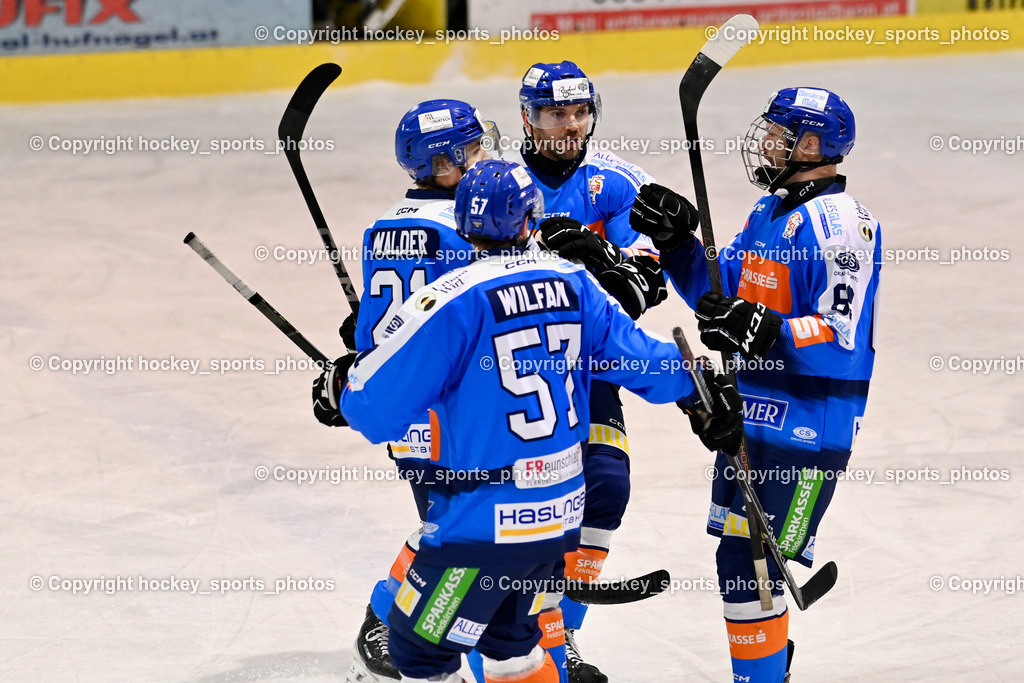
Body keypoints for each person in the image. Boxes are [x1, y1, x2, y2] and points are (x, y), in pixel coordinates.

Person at [313, 159, 744, 683]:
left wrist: (343, 389)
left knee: (417, 651)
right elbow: (643, 360)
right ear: (529, 219)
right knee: (511, 650)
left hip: (481, 521)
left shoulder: (448, 298)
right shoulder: (574, 284)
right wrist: (703, 388)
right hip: (559, 516)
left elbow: (378, 411)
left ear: (462, 221)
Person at [631, 87, 881, 682]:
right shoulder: (766, 214)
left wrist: (763, 327)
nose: (766, 143)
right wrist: (678, 247)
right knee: (739, 559)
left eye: (779, 134)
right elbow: (720, 297)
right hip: (754, 407)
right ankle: (767, 667)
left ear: (813, 146)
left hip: (810, 418)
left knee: (755, 562)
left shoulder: (841, 223)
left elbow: (840, 332)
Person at [514, 60, 698, 682]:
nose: (570, 126)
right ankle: (406, 608)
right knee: (513, 505)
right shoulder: (495, 180)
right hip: (510, 362)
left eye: (579, 112)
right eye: (554, 114)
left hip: (589, 361)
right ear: (526, 118)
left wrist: (611, 264)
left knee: (607, 487)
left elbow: (644, 285)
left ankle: (556, 640)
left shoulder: (616, 180)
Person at [321, 98, 496, 682]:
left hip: (407, 411)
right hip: (454, 410)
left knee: (447, 524)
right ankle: (388, 624)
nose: (481, 157)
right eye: (472, 150)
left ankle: (393, 622)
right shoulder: (467, 224)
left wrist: (366, 342)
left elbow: (375, 327)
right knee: (459, 532)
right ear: (445, 163)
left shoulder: (385, 225)